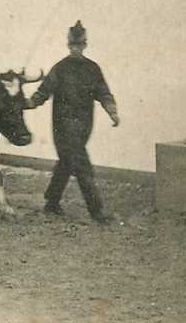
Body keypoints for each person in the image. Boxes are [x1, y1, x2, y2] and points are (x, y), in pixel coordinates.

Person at [25, 20, 119, 224]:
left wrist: (112, 111)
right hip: (63, 125)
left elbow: (103, 92)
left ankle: (51, 201)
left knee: (67, 162)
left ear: (85, 45)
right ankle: (97, 212)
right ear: (69, 45)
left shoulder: (93, 69)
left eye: (80, 45)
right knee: (82, 165)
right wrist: (29, 103)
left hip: (84, 125)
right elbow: (44, 91)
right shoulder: (60, 68)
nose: (76, 48)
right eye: (73, 45)